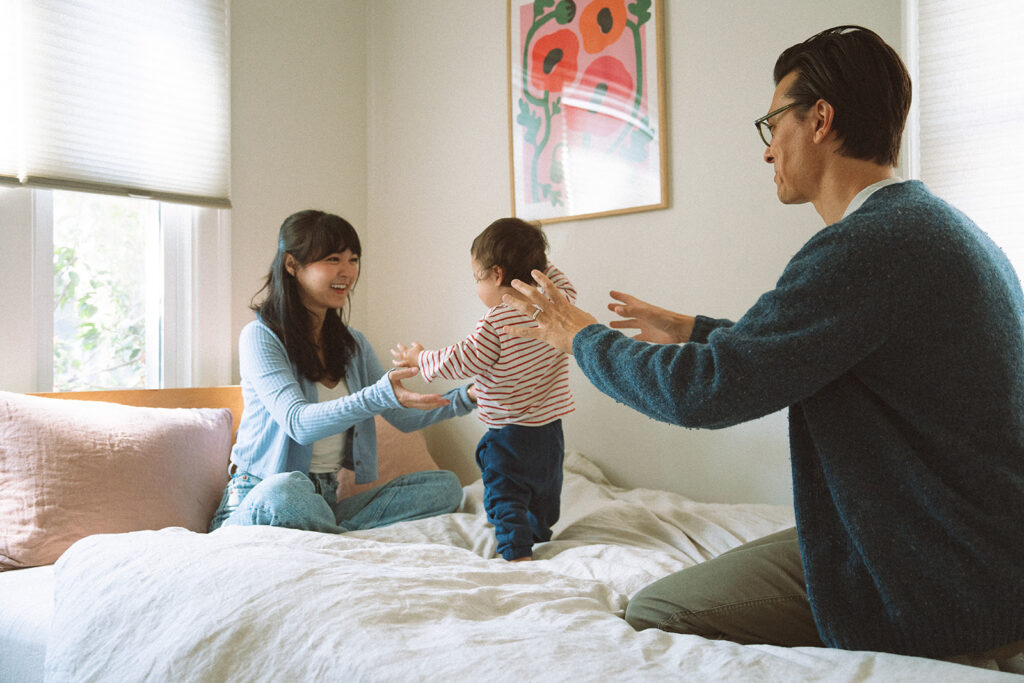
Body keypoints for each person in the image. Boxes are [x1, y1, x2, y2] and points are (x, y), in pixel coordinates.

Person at [498, 26, 1024, 661]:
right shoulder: (935, 228)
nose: (767, 150)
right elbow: (830, 352)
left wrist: (581, 336)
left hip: (934, 581)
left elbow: (703, 392)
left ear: (820, 119)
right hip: (963, 550)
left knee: (655, 609)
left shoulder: (868, 246)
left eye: (773, 123)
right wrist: (699, 331)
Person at [208, 210, 476, 534]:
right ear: (292, 265)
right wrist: (377, 395)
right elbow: (298, 423)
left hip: (324, 504)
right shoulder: (260, 337)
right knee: (286, 490)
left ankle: (330, 534)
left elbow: (402, 416)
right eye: (333, 259)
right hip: (261, 497)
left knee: (444, 486)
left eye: (353, 259)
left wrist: (469, 396)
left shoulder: (353, 345)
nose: (347, 272)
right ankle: (336, 537)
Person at [391, 217, 576, 561]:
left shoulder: (496, 320)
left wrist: (421, 358)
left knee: (504, 491)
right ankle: (539, 531)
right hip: (550, 429)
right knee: (546, 488)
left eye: (477, 277)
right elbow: (557, 277)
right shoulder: (557, 302)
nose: (477, 286)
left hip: (508, 431)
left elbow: (462, 360)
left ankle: (516, 551)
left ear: (496, 274)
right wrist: (532, 261)